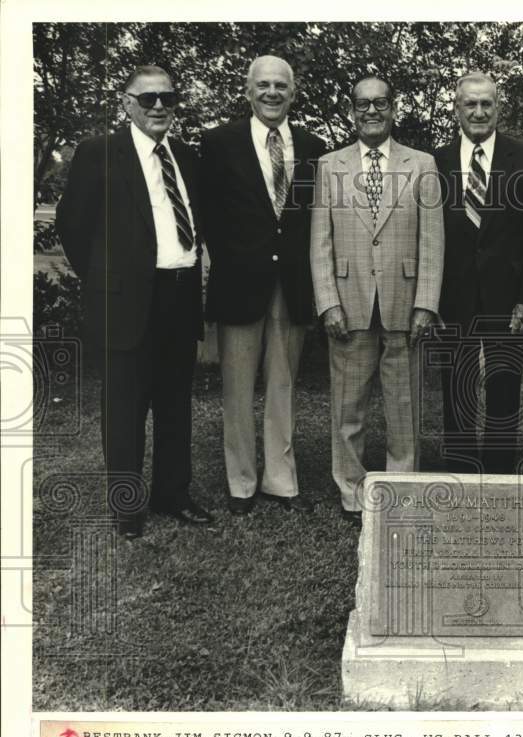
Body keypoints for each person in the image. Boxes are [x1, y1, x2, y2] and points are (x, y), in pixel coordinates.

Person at [56, 65, 213, 539]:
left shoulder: (185, 155)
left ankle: (172, 493)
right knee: (123, 410)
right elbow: (72, 227)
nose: (160, 106)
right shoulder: (98, 153)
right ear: (126, 103)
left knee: (173, 405)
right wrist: (108, 280)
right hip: (123, 302)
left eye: (168, 97)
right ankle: (127, 507)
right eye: (148, 99)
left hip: (180, 296)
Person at [310, 76, 444, 526]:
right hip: (348, 302)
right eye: (362, 104)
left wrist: (426, 302)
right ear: (352, 111)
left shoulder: (422, 164)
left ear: (393, 110)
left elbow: (433, 240)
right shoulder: (330, 165)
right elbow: (320, 243)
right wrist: (327, 301)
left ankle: (401, 486)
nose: (372, 111)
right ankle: (351, 489)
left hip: (404, 301)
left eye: (380, 103)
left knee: (403, 404)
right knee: (348, 405)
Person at [200, 55, 326, 516]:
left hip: (291, 283)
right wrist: (234, 261)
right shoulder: (219, 143)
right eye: (264, 85)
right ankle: (241, 481)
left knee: (283, 383)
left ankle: (280, 478)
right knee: (236, 387)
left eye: (281, 86)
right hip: (239, 283)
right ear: (248, 91)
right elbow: (209, 214)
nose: (272, 93)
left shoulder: (314, 147)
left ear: (293, 93)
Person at [432, 72, 523, 473]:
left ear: (498, 108)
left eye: (487, 104)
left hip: (508, 298)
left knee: (504, 389)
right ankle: (461, 467)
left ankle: (499, 469)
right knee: (455, 386)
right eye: (470, 104)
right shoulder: (437, 161)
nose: (479, 112)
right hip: (452, 297)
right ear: (456, 109)